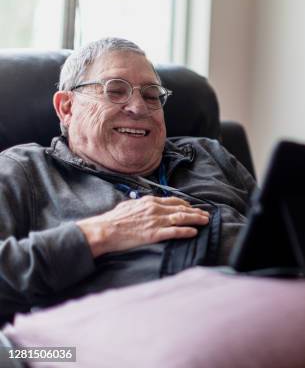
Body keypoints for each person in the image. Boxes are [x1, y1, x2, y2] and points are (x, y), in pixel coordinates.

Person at [0, 38, 256, 323]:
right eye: (116, 91)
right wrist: (100, 233)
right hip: (144, 333)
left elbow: (282, 235)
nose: (138, 107)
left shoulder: (208, 155)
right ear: (67, 108)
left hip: (267, 305)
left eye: (151, 95)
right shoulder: (24, 172)